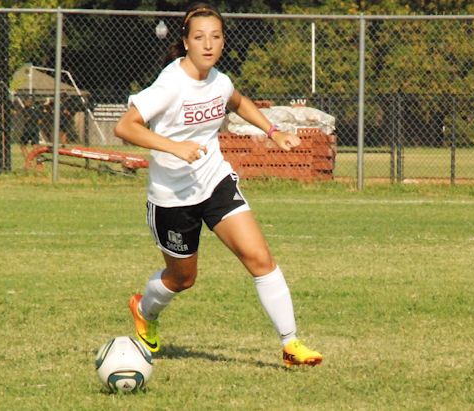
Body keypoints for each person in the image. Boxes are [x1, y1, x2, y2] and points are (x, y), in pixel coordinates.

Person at [114, 2, 322, 367]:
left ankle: (291, 344)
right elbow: (125, 126)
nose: (208, 44)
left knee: (260, 259)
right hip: (172, 198)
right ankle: (144, 309)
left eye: (215, 37)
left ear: (224, 41)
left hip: (215, 183)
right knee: (183, 279)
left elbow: (237, 101)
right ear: (186, 42)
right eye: (199, 37)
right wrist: (174, 147)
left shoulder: (220, 81)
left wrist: (273, 131)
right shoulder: (170, 85)